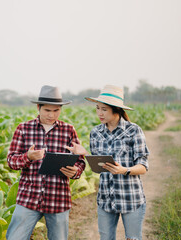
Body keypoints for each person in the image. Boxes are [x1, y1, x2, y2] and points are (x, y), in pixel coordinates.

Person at [66, 85, 149, 240]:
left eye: (104, 109)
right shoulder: (96, 133)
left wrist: (124, 170)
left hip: (130, 197)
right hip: (105, 199)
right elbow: (99, 167)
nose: (99, 113)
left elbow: (143, 166)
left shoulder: (133, 130)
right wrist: (85, 154)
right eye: (97, 108)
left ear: (116, 109)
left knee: (133, 238)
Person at [6, 85, 86, 240]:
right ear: (38, 107)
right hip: (28, 197)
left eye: (56, 110)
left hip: (58, 198)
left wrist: (75, 171)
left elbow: (80, 161)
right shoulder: (23, 129)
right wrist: (28, 157)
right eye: (47, 110)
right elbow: (11, 161)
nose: (52, 115)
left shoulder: (68, 130)